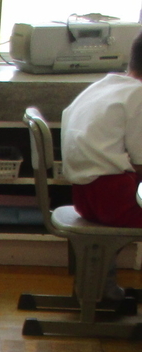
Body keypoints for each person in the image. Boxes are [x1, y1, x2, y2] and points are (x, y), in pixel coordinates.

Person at [61, 32, 142, 231]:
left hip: (84, 200)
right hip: (116, 201)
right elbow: (140, 160)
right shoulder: (138, 95)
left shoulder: (105, 86)